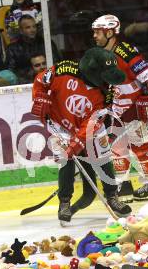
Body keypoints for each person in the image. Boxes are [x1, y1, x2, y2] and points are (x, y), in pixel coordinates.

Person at [30, 47, 132, 223]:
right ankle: (64, 202)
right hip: (60, 124)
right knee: (65, 159)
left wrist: (78, 142)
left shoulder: (106, 92)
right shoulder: (62, 70)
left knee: (103, 155)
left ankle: (112, 196)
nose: (107, 81)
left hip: (89, 126)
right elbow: (40, 81)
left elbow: (95, 120)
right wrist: (39, 97)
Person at [92, 14, 148, 203]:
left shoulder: (125, 51)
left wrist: (146, 99)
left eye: (98, 32)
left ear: (109, 32)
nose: (95, 36)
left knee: (140, 146)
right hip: (116, 109)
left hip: (133, 108)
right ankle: (123, 185)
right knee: (116, 147)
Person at [6, 15, 60, 84]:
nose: (32, 30)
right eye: (28, 27)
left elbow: (57, 64)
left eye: (34, 26)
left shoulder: (47, 44)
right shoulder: (13, 49)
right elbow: (10, 73)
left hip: (48, 82)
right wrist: (31, 74)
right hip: (25, 85)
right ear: (21, 31)